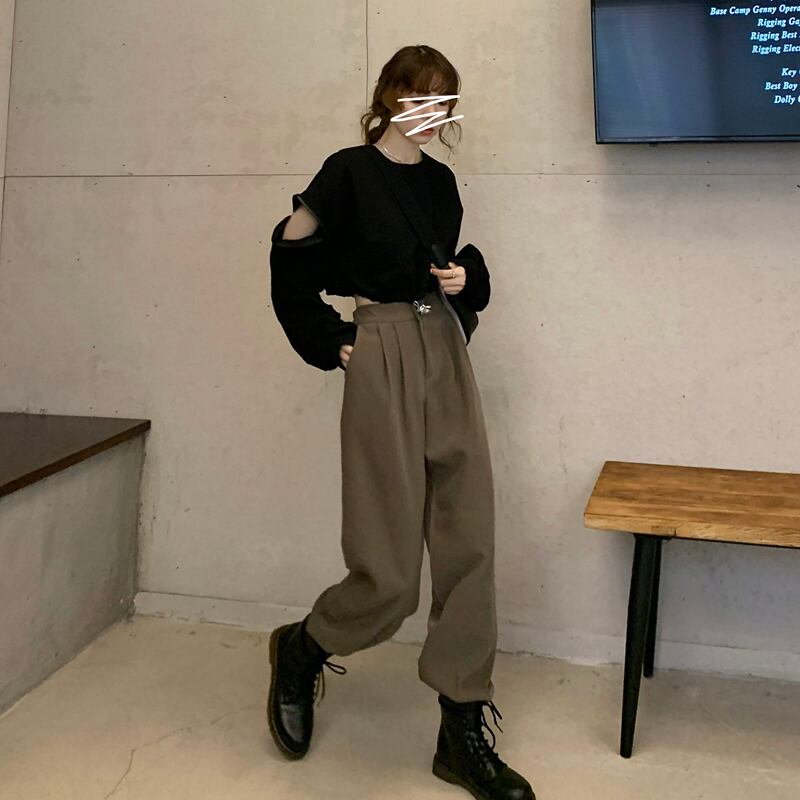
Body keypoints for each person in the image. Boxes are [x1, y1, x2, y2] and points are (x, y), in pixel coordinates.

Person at [267, 44, 535, 800]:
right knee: (387, 568)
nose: (433, 111)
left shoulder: (442, 183)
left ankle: (460, 727)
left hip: (443, 345)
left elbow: (445, 272)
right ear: (390, 95)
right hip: (380, 345)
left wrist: (465, 280)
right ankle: (305, 646)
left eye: (444, 98)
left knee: (469, 537)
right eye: (420, 95)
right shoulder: (347, 172)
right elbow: (290, 260)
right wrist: (333, 341)